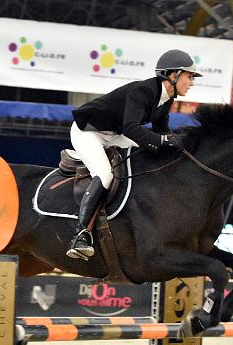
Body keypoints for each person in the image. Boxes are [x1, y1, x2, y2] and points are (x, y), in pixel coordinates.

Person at [66, 49, 201, 259]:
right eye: (189, 77)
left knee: (146, 158)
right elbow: (131, 128)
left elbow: (161, 131)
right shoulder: (144, 91)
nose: (192, 83)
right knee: (105, 174)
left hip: (114, 134)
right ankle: (80, 235)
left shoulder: (166, 98)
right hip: (88, 131)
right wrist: (162, 141)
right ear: (173, 75)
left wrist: (180, 149)